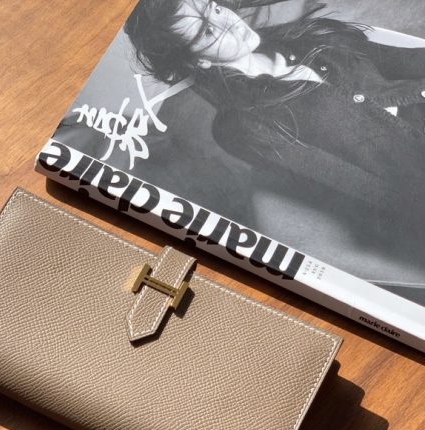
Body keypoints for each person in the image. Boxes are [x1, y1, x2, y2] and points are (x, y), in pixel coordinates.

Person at [124, 0, 425, 304]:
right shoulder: (242, 125)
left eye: (214, 8)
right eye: (206, 31)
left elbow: (407, 60)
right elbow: (353, 184)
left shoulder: (307, 35)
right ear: (197, 61)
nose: (229, 22)